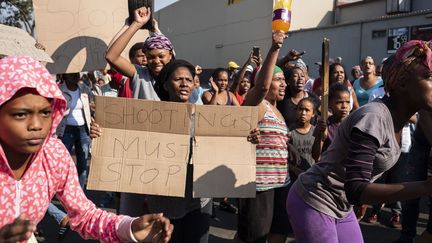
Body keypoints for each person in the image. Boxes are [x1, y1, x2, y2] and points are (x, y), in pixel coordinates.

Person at [0, 56, 173, 243]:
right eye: (20, 114)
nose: (36, 125)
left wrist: (129, 228)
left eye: (45, 112)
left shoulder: (53, 154)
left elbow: (85, 215)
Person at [286, 40, 432, 243]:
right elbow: (356, 190)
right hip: (315, 199)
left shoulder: (409, 117)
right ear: (402, 82)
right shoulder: (374, 117)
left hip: (342, 206)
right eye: (428, 76)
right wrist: (426, 187)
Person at [234, 31, 291, 243]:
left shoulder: (278, 111)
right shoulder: (257, 104)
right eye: (278, 79)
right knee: (252, 237)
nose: (284, 83)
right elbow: (263, 87)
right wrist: (275, 48)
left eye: (284, 79)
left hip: (281, 183)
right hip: (259, 185)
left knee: (278, 233)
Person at [106, 7, 174, 101]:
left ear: (170, 56)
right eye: (150, 57)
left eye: (161, 56)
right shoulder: (140, 74)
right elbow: (111, 56)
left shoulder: (176, 74)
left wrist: (156, 30)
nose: (157, 61)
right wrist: (136, 24)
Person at [56, 73, 93, 189]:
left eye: (77, 74)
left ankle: (80, 192)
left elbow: (94, 102)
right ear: (65, 76)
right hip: (66, 130)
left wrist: (92, 106)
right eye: (72, 74)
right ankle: (60, 190)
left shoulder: (84, 89)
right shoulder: (59, 90)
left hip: (83, 130)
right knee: (62, 163)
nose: (76, 76)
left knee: (83, 163)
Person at [311, 83, 350, 162]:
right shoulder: (325, 125)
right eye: (339, 102)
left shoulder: (353, 124)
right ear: (329, 104)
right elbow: (316, 155)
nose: (344, 106)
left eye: (347, 102)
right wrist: (319, 132)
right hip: (329, 169)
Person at [277, 66, 320, 130]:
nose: (300, 78)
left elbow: (323, 114)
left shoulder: (313, 98)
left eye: (302, 76)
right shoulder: (282, 99)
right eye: (295, 76)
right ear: (288, 81)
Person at [288, 97, 317, 181]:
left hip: (312, 176)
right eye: (300, 109)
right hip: (293, 178)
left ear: (313, 113)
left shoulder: (316, 132)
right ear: (296, 111)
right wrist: (295, 170)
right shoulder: (289, 132)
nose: (303, 113)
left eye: (307, 110)